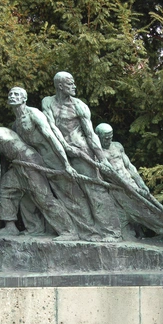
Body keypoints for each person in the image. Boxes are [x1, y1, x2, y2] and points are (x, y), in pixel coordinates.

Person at [8, 87, 99, 238]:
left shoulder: (34, 114)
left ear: (24, 99)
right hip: (37, 162)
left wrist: (66, 164)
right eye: (10, 94)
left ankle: (88, 232)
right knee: (43, 195)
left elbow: (52, 138)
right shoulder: (16, 124)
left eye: (16, 94)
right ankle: (50, 229)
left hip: (53, 157)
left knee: (70, 194)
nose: (12, 96)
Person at [41, 72, 121, 242]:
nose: (74, 86)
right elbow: (51, 127)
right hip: (60, 152)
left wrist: (102, 159)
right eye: (70, 84)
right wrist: (64, 146)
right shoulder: (47, 102)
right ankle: (87, 232)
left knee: (95, 190)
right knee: (71, 193)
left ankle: (112, 232)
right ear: (60, 86)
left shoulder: (80, 106)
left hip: (82, 152)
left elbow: (91, 135)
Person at [0, 124, 78, 241]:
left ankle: (69, 231)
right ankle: (18, 228)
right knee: (5, 190)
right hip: (19, 164)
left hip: (28, 161)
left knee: (44, 198)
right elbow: (2, 163)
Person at [95, 123, 163, 250]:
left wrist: (141, 184)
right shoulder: (95, 154)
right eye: (105, 138)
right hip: (120, 191)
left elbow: (130, 167)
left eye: (110, 137)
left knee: (154, 214)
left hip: (134, 187)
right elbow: (98, 179)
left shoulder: (117, 146)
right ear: (97, 136)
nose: (109, 140)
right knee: (147, 216)